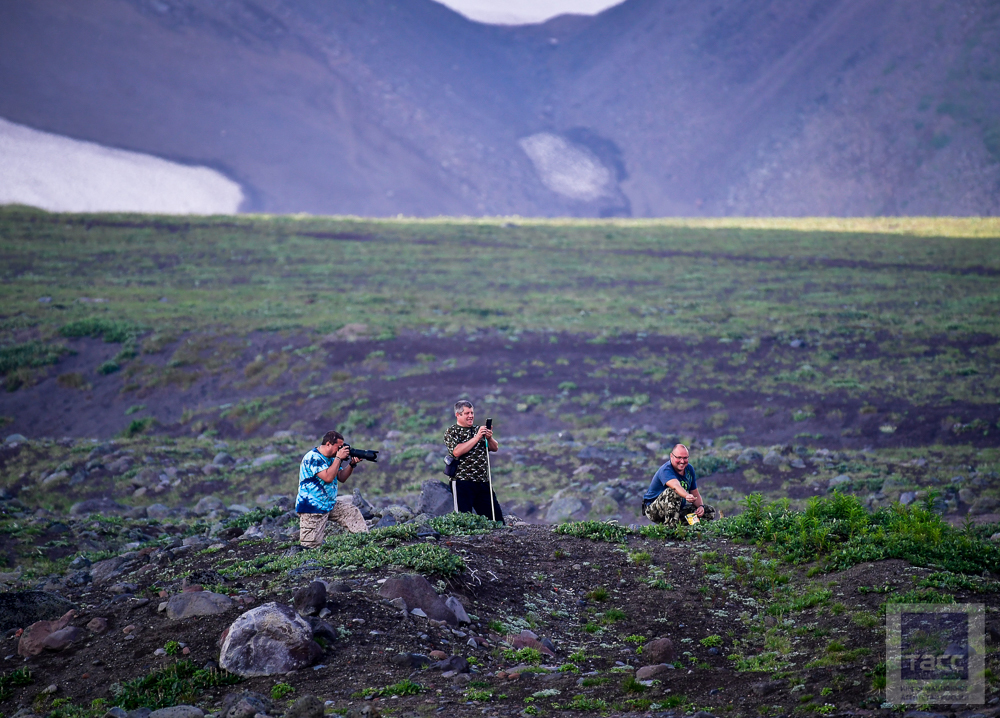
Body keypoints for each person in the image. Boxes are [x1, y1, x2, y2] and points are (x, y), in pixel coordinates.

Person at [296, 430, 369, 548]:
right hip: (312, 507)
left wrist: (351, 465)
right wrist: (339, 458)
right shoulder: (313, 457)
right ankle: (307, 564)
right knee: (310, 546)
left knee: (351, 512)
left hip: (329, 503)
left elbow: (341, 477)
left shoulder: (332, 458)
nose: (341, 450)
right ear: (328, 444)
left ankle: (365, 544)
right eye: (339, 447)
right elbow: (328, 477)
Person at [443, 400, 503, 521]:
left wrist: (489, 438)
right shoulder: (451, 432)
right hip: (462, 482)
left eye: (472, 413)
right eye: (467, 413)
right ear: (458, 415)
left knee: (496, 519)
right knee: (463, 519)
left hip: (482, 481)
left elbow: (494, 447)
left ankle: (495, 538)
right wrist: (477, 438)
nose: (471, 416)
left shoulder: (478, 430)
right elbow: (456, 451)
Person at [642, 444, 718, 527]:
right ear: (671, 456)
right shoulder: (666, 470)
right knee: (673, 492)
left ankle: (683, 524)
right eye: (679, 458)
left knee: (709, 511)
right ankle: (670, 528)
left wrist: (700, 507)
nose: (682, 461)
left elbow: (695, 493)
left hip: (677, 509)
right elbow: (675, 486)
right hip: (654, 509)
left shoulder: (689, 469)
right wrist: (686, 495)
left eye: (685, 458)